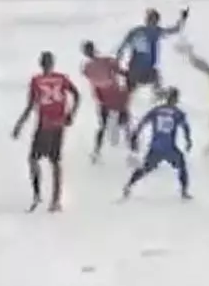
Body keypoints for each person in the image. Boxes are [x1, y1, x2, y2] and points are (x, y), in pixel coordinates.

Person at [12, 51, 79, 212]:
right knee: (55, 162)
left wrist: (19, 124)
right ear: (52, 63)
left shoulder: (36, 81)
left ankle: (37, 193)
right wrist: (71, 113)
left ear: (41, 64)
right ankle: (55, 200)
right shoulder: (62, 79)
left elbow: (31, 105)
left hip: (45, 125)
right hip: (59, 125)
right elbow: (77, 95)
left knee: (33, 159)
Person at [123, 87, 192, 200]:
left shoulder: (156, 110)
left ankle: (128, 186)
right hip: (169, 148)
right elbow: (185, 128)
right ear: (176, 99)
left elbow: (143, 122)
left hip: (155, 147)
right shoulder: (178, 113)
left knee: (145, 168)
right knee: (181, 165)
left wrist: (135, 135)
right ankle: (184, 192)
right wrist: (188, 141)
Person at [115, 7, 189, 98]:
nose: (153, 23)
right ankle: (154, 93)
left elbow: (174, 30)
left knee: (155, 75)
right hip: (136, 71)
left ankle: (157, 94)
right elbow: (124, 46)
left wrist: (182, 19)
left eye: (155, 21)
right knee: (153, 76)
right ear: (147, 20)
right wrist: (117, 61)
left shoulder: (155, 31)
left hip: (143, 72)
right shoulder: (139, 32)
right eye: (151, 20)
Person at [81, 40, 130, 163]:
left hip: (104, 98)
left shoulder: (87, 68)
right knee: (124, 124)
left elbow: (118, 72)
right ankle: (132, 150)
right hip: (113, 96)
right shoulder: (106, 61)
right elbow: (122, 72)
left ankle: (96, 152)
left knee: (104, 126)